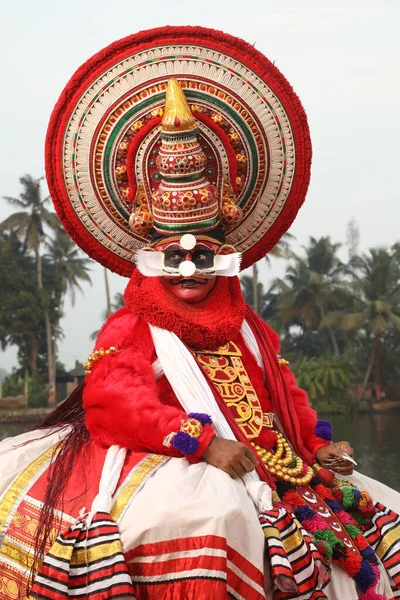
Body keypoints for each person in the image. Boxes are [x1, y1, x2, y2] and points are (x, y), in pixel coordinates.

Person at [0, 26, 399, 600]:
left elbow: (279, 391)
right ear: (151, 256)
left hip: (274, 463)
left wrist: (316, 444)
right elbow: (114, 402)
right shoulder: (134, 322)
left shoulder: (246, 323)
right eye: (174, 256)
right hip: (177, 460)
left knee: (384, 509)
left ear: (225, 255)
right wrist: (202, 443)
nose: (190, 270)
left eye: (204, 254)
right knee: (214, 519)